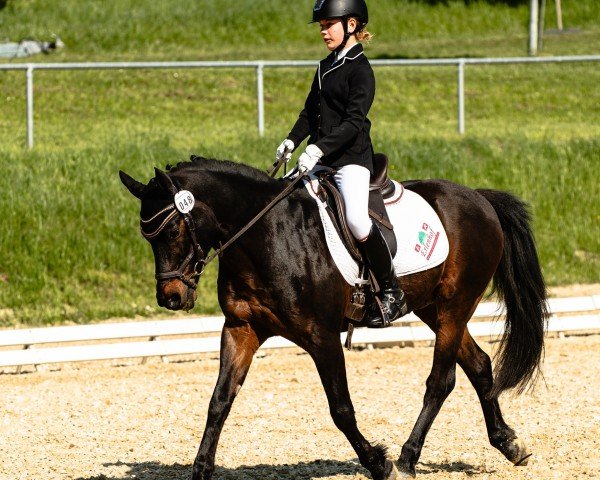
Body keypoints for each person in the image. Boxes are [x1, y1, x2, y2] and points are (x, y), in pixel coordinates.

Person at [275, 0, 408, 328]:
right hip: (320, 159)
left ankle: (391, 291)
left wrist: (317, 149)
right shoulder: (323, 68)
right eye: (321, 26)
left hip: (351, 160)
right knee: (282, 200)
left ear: (351, 24)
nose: (323, 31)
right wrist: (292, 140)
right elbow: (310, 113)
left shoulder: (361, 70)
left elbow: (352, 122)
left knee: (357, 220)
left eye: (328, 24)